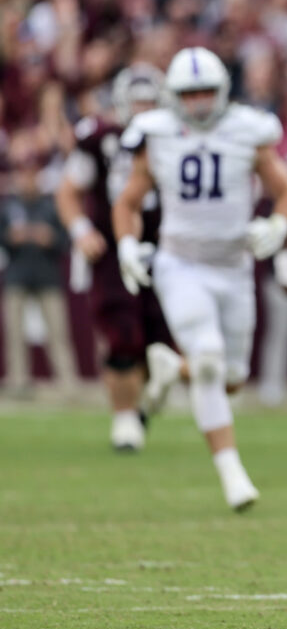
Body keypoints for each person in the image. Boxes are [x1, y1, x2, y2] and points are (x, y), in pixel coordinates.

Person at [112, 46, 287, 511]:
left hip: (234, 268)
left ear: (222, 92)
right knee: (211, 360)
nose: (198, 102)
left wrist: (277, 226)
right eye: (189, 93)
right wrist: (125, 245)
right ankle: (232, 473)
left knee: (232, 377)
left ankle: (169, 368)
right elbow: (128, 203)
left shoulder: (248, 131)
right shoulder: (156, 134)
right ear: (174, 97)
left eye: (206, 92)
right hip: (181, 265)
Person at [55, 64, 181, 451]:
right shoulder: (101, 138)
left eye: (149, 101)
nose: (143, 109)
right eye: (137, 101)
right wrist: (81, 230)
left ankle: (141, 405)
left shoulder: (178, 136)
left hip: (168, 248)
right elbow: (68, 190)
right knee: (122, 333)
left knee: (163, 340)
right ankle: (124, 418)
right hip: (113, 250)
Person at [2, 157, 77, 399]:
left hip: (47, 276)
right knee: (14, 334)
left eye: (31, 175)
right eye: (23, 175)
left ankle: (67, 383)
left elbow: (65, 241)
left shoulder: (50, 206)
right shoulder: (7, 207)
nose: (27, 180)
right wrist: (12, 237)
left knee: (58, 332)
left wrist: (50, 238)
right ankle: (18, 382)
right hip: (16, 275)